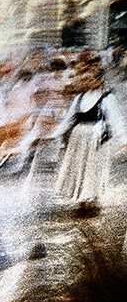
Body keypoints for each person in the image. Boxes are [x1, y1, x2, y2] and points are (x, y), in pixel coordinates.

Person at [52, 66, 126, 215]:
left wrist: (123, 139)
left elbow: (115, 119)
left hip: (96, 138)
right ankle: (82, 200)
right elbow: (68, 119)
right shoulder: (79, 99)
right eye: (86, 79)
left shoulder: (106, 98)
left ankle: (93, 200)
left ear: (100, 80)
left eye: (93, 79)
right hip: (79, 138)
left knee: (94, 168)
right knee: (79, 168)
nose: (89, 82)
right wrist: (55, 134)